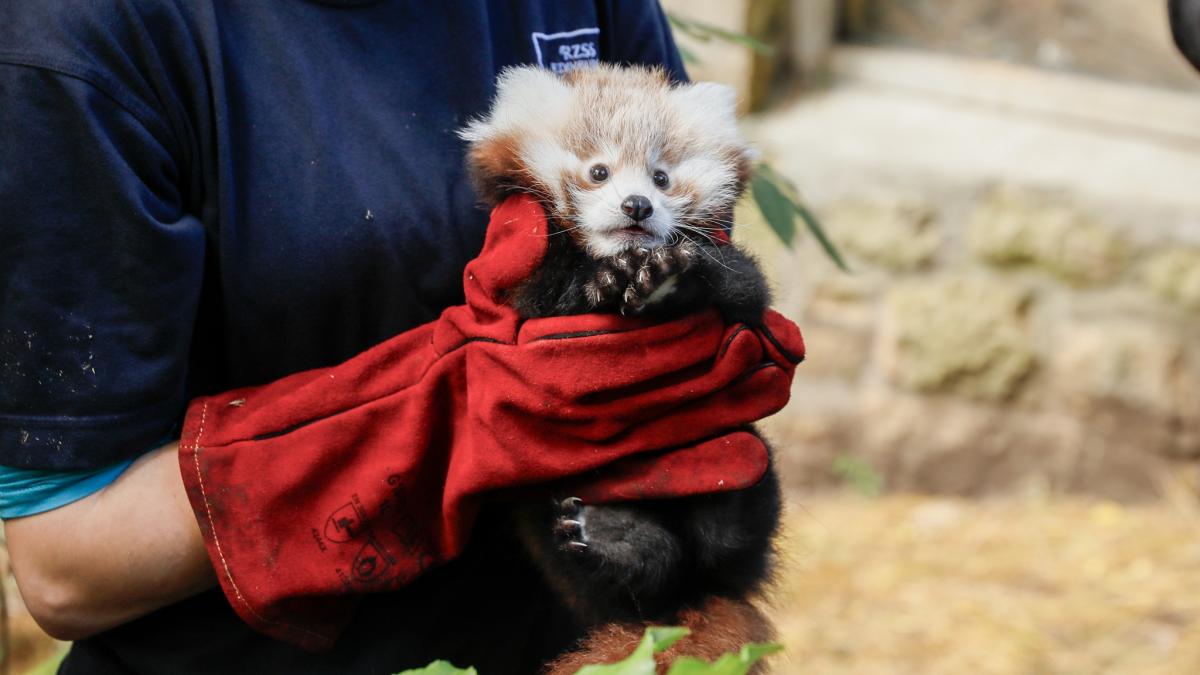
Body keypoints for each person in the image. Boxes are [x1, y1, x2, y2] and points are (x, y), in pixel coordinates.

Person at [0, 1, 746, 672]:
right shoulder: (79, 37)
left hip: (574, 637)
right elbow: (66, 570)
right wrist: (441, 425)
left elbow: (696, 262)